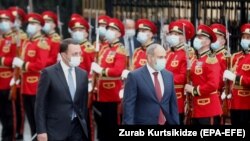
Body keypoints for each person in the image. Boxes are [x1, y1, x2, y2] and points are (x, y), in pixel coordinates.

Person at [35, 38, 89, 141]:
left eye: (79, 53)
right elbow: (40, 105)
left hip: (77, 128)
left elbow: (83, 103)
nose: (78, 57)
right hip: (55, 129)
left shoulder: (82, 74)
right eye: (74, 54)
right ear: (64, 55)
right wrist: (41, 131)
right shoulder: (49, 73)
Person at [12, 12, 50, 137]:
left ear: (40, 27)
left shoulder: (42, 43)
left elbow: (41, 65)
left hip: (36, 87)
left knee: (38, 121)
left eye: (33, 23)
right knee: (31, 120)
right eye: (29, 23)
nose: (30, 26)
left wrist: (23, 65)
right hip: (25, 87)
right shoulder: (27, 43)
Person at [123, 43, 179, 125]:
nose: (164, 60)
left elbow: (172, 103)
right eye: (160, 57)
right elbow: (129, 105)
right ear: (149, 58)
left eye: (164, 57)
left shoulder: (168, 75)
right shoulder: (135, 76)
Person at [90, 18, 127, 140]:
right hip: (100, 93)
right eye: (108, 29)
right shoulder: (104, 49)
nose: (109, 31)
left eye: (112, 29)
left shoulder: (120, 50)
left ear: (119, 34)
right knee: (101, 126)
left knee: (111, 126)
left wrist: (101, 70)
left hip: (112, 94)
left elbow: (118, 70)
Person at [184, 24, 222, 125]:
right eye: (197, 37)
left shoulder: (211, 59)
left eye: (201, 37)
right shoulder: (196, 60)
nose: (197, 39)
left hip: (208, 107)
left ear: (208, 41)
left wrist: (193, 90)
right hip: (196, 107)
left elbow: (213, 84)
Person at [165, 19, 195, 125]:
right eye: (172, 33)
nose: (173, 36)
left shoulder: (187, 53)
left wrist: (165, 78)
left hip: (178, 97)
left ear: (184, 36)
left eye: (177, 34)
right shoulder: (168, 53)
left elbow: (184, 77)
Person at [223, 23, 250, 125]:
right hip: (234, 102)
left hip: (246, 102)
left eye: (248, 37)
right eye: (243, 37)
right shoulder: (236, 56)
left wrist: (236, 78)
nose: (245, 39)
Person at [0, 9, 16, 141]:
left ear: (11, 23)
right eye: (1, 21)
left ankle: (10, 137)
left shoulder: (14, 39)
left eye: (6, 21)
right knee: (2, 113)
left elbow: (16, 59)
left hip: (8, 80)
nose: (3, 23)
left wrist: (2, 60)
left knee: (9, 113)